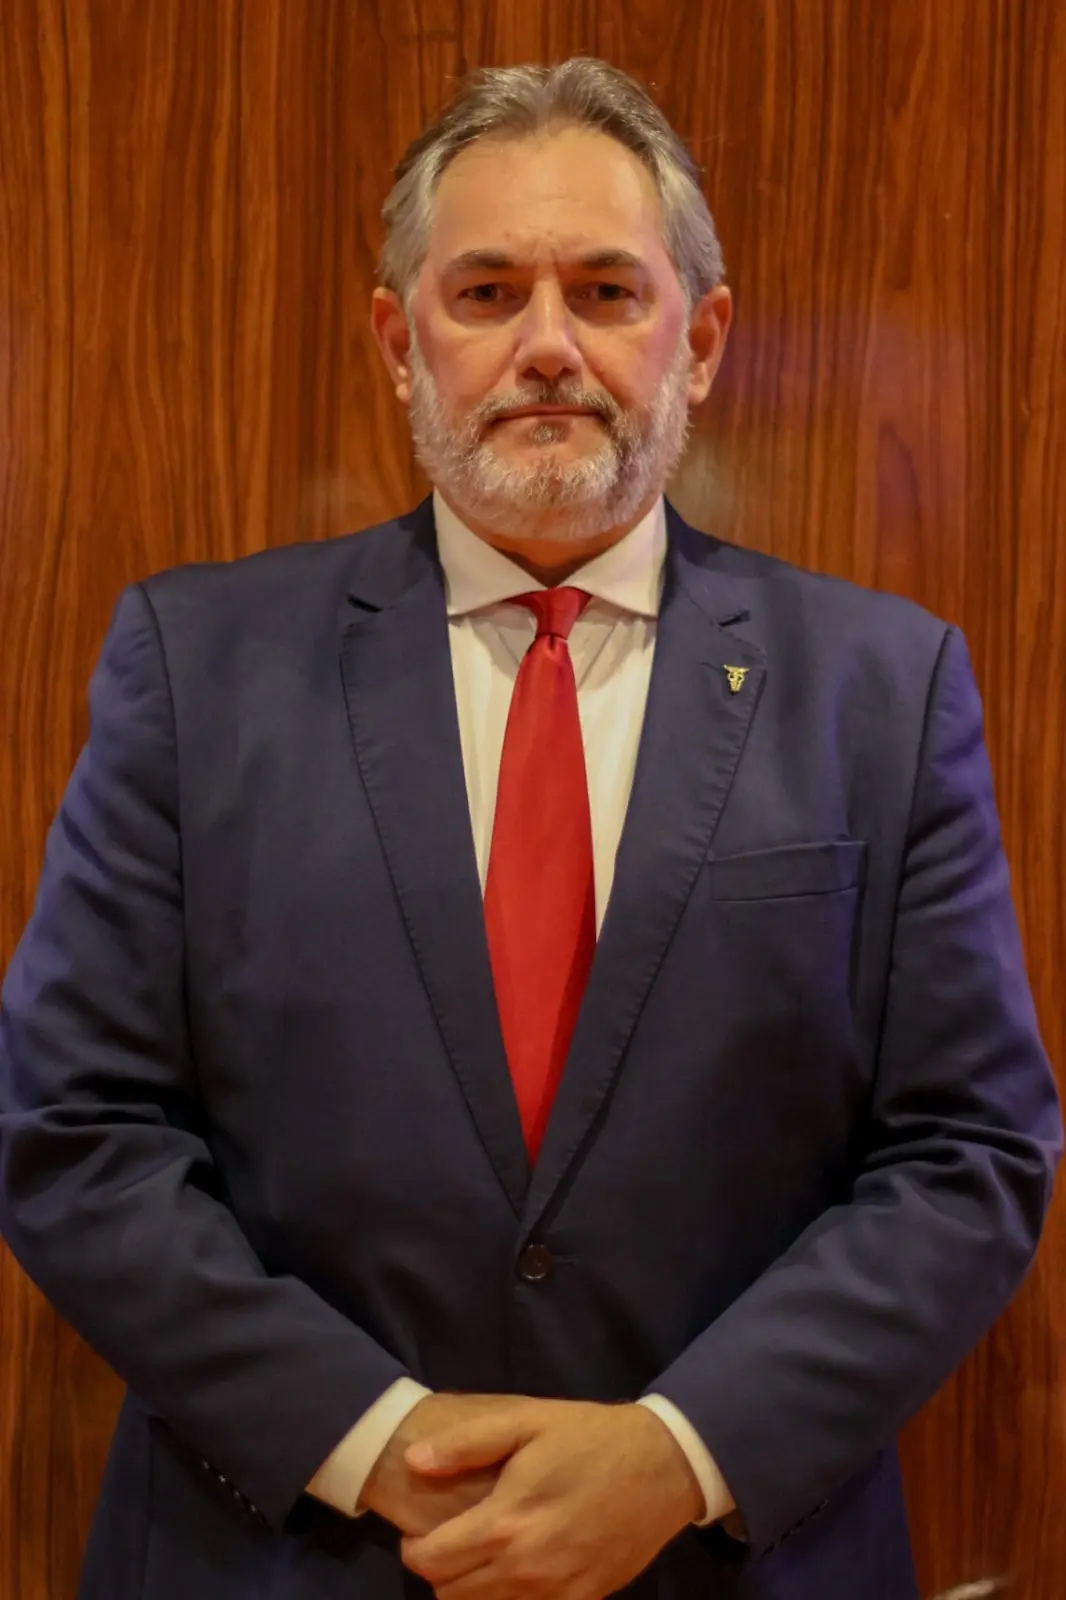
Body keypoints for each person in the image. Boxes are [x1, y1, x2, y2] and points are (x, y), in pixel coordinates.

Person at [0, 55, 1059, 1600]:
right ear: (399, 342)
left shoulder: (882, 689)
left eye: (606, 292)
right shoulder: (193, 666)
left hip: (722, 1559)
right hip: (290, 1552)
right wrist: (386, 1441)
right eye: (486, 292)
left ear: (700, 340)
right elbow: (71, 1130)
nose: (546, 345)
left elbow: (967, 1153)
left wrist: (677, 1455)